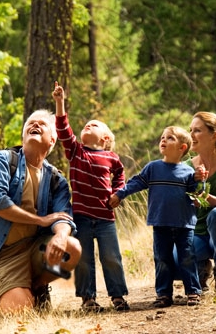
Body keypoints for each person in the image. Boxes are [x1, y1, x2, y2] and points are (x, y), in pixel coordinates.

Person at [0, 109, 82, 314]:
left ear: (52, 139)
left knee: (71, 247)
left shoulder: (55, 179)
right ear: (23, 134)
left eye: (42, 124)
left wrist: (61, 235)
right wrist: (41, 220)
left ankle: (38, 285)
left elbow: (63, 215)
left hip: (34, 248)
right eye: (31, 123)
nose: (35, 125)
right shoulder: (1, 160)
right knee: (22, 312)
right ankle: (18, 289)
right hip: (1, 256)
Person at [52, 82, 129, 312]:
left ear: (105, 138)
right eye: (86, 125)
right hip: (82, 217)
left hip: (106, 218)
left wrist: (118, 193)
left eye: (93, 125)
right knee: (84, 260)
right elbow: (64, 130)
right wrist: (59, 102)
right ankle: (88, 299)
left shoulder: (111, 157)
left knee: (112, 258)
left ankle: (118, 296)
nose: (87, 125)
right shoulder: (77, 152)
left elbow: (120, 175)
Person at [110, 126, 202, 307]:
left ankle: (193, 292)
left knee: (187, 257)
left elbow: (197, 193)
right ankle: (163, 294)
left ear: (182, 148)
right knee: (162, 258)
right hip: (160, 223)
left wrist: (201, 180)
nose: (163, 140)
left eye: (170, 138)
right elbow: (136, 182)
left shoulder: (189, 172)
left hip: (184, 224)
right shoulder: (153, 168)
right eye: (162, 137)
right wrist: (120, 194)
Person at [183, 111, 216, 291]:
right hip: (197, 234)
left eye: (197, 131)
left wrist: (208, 198)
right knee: (174, 262)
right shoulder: (186, 167)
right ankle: (202, 267)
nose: (191, 136)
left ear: (214, 136)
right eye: (190, 130)